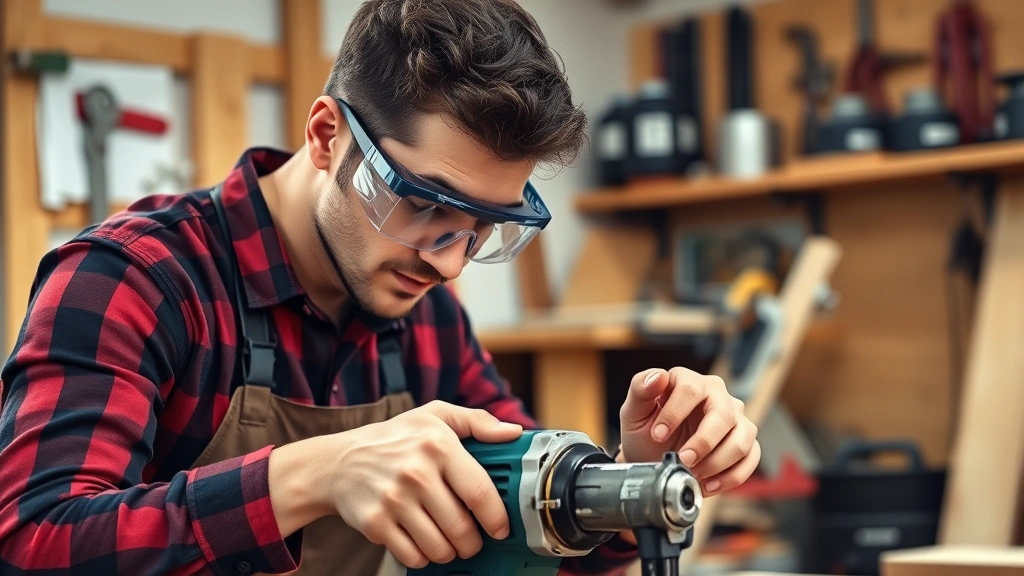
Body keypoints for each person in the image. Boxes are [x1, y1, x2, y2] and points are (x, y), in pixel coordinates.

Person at [0, 0, 761, 574]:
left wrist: (624, 482)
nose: (451, 262)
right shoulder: (135, 279)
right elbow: (34, 539)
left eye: (484, 226)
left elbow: (515, 522)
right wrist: (312, 474)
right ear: (328, 136)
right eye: (425, 204)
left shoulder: (423, 315)